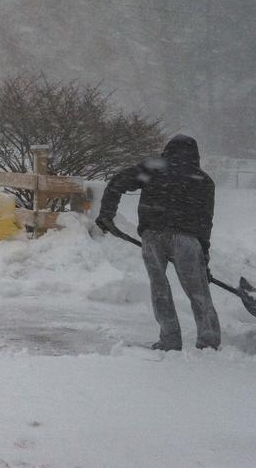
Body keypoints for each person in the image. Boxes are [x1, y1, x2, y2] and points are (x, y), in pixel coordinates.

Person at [95, 134, 220, 350]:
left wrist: (107, 214)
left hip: (153, 235)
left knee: (160, 287)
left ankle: (169, 340)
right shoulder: (204, 180)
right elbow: (205, 223)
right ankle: (208, 341)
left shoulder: (154, 168)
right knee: (198, 291)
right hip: (187, 240)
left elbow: (117, 182)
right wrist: (203, 259)